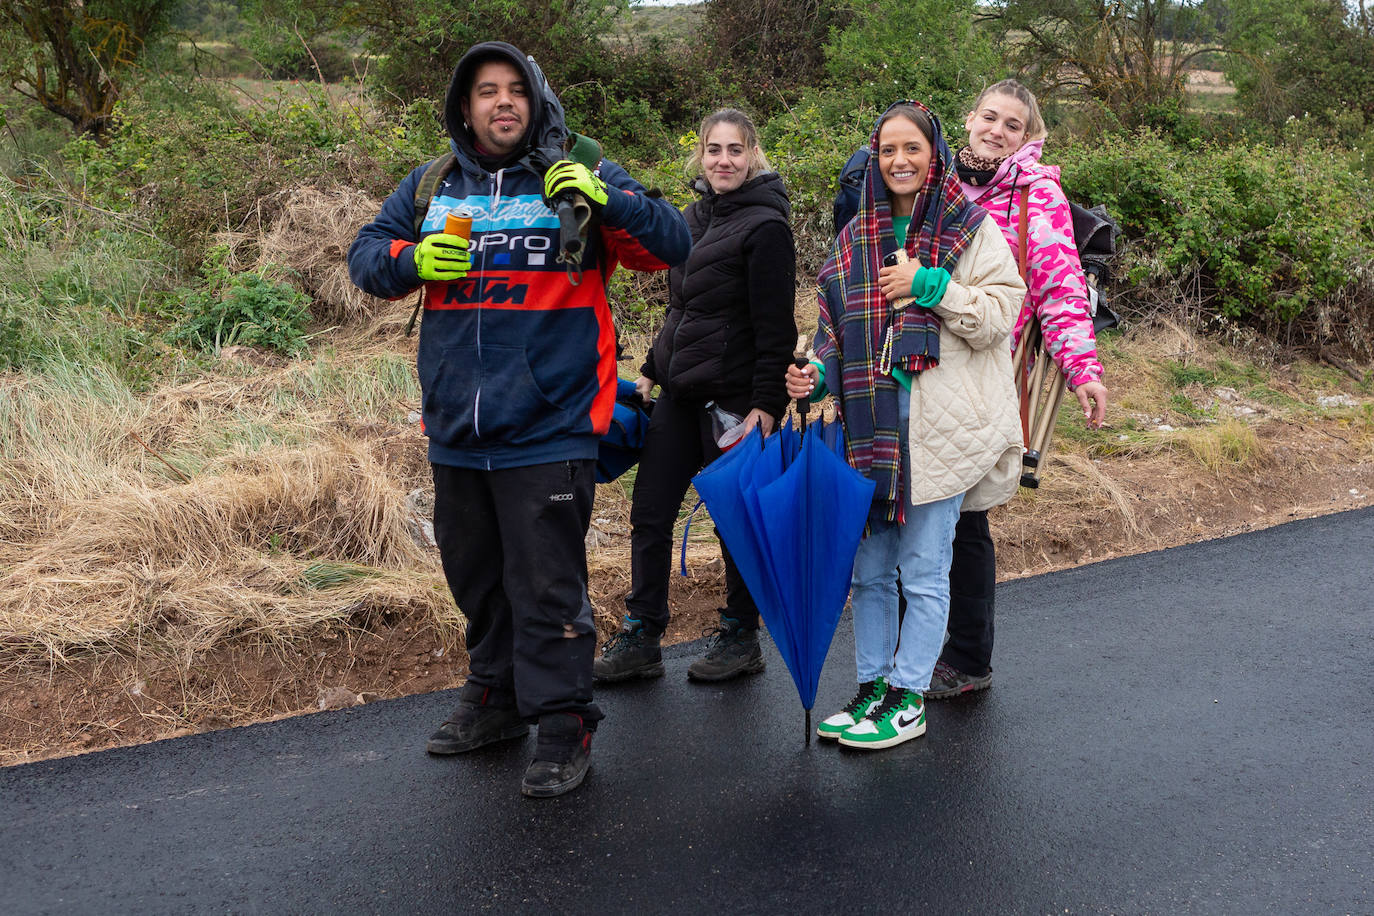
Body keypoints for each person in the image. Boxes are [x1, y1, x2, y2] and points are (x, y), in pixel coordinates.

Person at [347, 41, 690, 797]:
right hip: (457, 426)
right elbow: (365, 255)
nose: (502, 102)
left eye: (516, 90)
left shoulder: (579, 172)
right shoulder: (433, 184)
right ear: (464, 107)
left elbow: (672, 243)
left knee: (547, 584)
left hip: (551, 423)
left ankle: (565, 722)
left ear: (536, 101)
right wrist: (412, 261)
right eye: (486, 91)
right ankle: (495, 696)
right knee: (476, 575)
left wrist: (608, 199)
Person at [786, 100, 1024, 750]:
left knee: (922, 571)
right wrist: (815, 375)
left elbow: (1001, 315)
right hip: (871, 434)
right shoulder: (853, 237)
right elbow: (832, 331)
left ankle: (909, 696)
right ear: (875, 157)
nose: (899, 160)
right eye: (887, 149)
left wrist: (930, 286)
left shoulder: (970, 227)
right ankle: (873, 688)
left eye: (912, 148)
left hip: (941, 432)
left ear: (934, 156)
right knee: (868, 573)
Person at [593, 109, 797, 684]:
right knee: (650, 513)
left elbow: (776, 327)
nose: (723, 160)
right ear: (701, 155)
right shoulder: (690, 217)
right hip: (679, 397)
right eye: (714, 150)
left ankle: (741, 635)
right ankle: (643, 634)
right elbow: (681, 309)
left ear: (752, 154)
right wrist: (651, 370)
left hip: (734, 402)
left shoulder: (767, 227)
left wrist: (766, 405)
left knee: (735, 522)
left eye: (735, 150)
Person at [926, 78, 1111, 699]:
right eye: (989, 117)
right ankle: (915, 647)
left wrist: (1083, 370)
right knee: (916, 509)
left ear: (1029, 137)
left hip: (986, 378)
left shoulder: (1038, 194)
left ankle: (967, 658)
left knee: (966, 515)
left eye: (1013, 125)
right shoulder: (934, 178)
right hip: (920, 371)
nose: (997, 131)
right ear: (969, 118)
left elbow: (1059, 288)